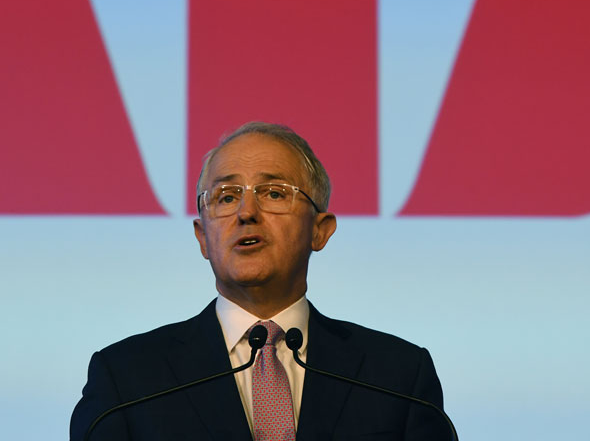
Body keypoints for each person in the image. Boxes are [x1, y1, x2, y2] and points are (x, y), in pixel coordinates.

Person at [70, 122, 449, 440]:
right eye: (226, 197)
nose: (246, 212)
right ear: (203, 238)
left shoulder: (398, 377)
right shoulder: (127, 380)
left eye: (274, 193)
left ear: (320, 230)